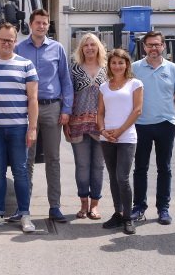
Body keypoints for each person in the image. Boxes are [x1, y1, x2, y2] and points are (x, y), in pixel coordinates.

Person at [15, 9, 73, 223]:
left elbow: (66, 80)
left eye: (45, 23)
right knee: (26, 159)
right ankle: (24, 207)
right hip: (27, 109)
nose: (41, 26)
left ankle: (55, 207)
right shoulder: (19, 48)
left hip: (51, 108)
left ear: (48, 26)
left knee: (53, 159)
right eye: (38, 22)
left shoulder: (57, 49)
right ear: (31, 25)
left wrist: (66, 110)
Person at [0, 22, 39, 233]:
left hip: (18, 128)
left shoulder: (26, 65)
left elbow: (33, 99)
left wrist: (32, 128)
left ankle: (24, 214)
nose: (6, 43)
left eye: (10, 40)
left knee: (20, 172)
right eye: (3, 39)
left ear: (16, 41)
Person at [131, 31, 175, 226]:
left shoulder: (173, 69)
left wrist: (169, 113)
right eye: (150, 45)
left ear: (163, 46)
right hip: (140, 125)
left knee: (165, 168)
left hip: (165, 125)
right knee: (140, 168)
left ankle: (163, 208)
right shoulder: (134, 68)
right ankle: (138, 207)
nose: (153, 48)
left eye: (157, 45)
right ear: (144, 47)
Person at [97, 49, 144, 235]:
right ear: (109, 65)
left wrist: (119, 131)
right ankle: (117, 213)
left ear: (127, 64)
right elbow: (100, 112)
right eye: (114, 63)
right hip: (106, 137)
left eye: (121, 63)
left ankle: (128, 216)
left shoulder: (135, 84)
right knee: (113, 177)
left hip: (126, 137)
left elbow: (137, 110)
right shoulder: (104, 87)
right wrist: (102, 130)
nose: (117, 66)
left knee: (122, 177)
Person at [66, 33, 108, 220]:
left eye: (93, 44)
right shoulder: (73, 68)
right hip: (77, 123)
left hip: (102, 125)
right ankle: (83, 203)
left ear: (99, 47)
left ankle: (95, 205)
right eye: (86, 45)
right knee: (82, 165)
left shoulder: (108, 68)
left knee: (98, 166)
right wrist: (66, 120)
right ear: (81, 49)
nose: (90, 48)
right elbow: (67, 94)